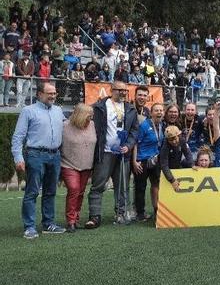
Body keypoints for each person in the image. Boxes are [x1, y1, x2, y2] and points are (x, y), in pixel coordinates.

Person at [11, 82, 66, 239]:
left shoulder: (58, 111)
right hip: (35, 155)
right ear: (39, 94)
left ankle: (48, 224)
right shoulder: (28, 111)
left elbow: (68, 127)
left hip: (55, 156)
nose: (53, 96)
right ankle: (29, 227)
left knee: (50, 192)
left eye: (54, 93)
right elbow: (18, 137)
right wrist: (18, 158)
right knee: (32, 192)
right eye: (49, 93)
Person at [85, 81, 139, 229]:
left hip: (123, 154)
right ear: (111, 89)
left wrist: (128, 146)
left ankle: (121, 213)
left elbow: (134, 131)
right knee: (98, 185)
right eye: (119, 90)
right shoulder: (99, 107)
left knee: (122, 186)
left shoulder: (130, 109)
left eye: (125, 91)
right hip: (105, 152)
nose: (122, 93)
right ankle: (94, 216)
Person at [60, 103, 96, 233]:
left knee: (80, 192)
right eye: (88, 115)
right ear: (80, 114)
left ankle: (76, 219)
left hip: (86, 165)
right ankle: (70, 221)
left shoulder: (92, 125)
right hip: (68, 164)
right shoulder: (65, 126)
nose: (91, 117)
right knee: (74, 189)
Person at [132, 103, 165, 222]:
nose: (159, 112)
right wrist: (135, 161)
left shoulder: (161, 125)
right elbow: (135, 143)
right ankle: (140, 213)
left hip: (155, 160)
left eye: (161, 110)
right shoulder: (144, 125)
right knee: (141, 187)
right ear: (151, 113)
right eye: (156, 110)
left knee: (156, 185)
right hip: (142, 160)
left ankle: (157, 209)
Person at [160, 125, 194, 191]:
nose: (173, 142)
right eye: (170, 140)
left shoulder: (182, 140)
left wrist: (192, 164)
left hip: (177, 166)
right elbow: (164, 165)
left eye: (175, 138)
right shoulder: (165, 147)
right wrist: (172, 180)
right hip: (165, 169)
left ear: (179, 136)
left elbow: (187, 153)